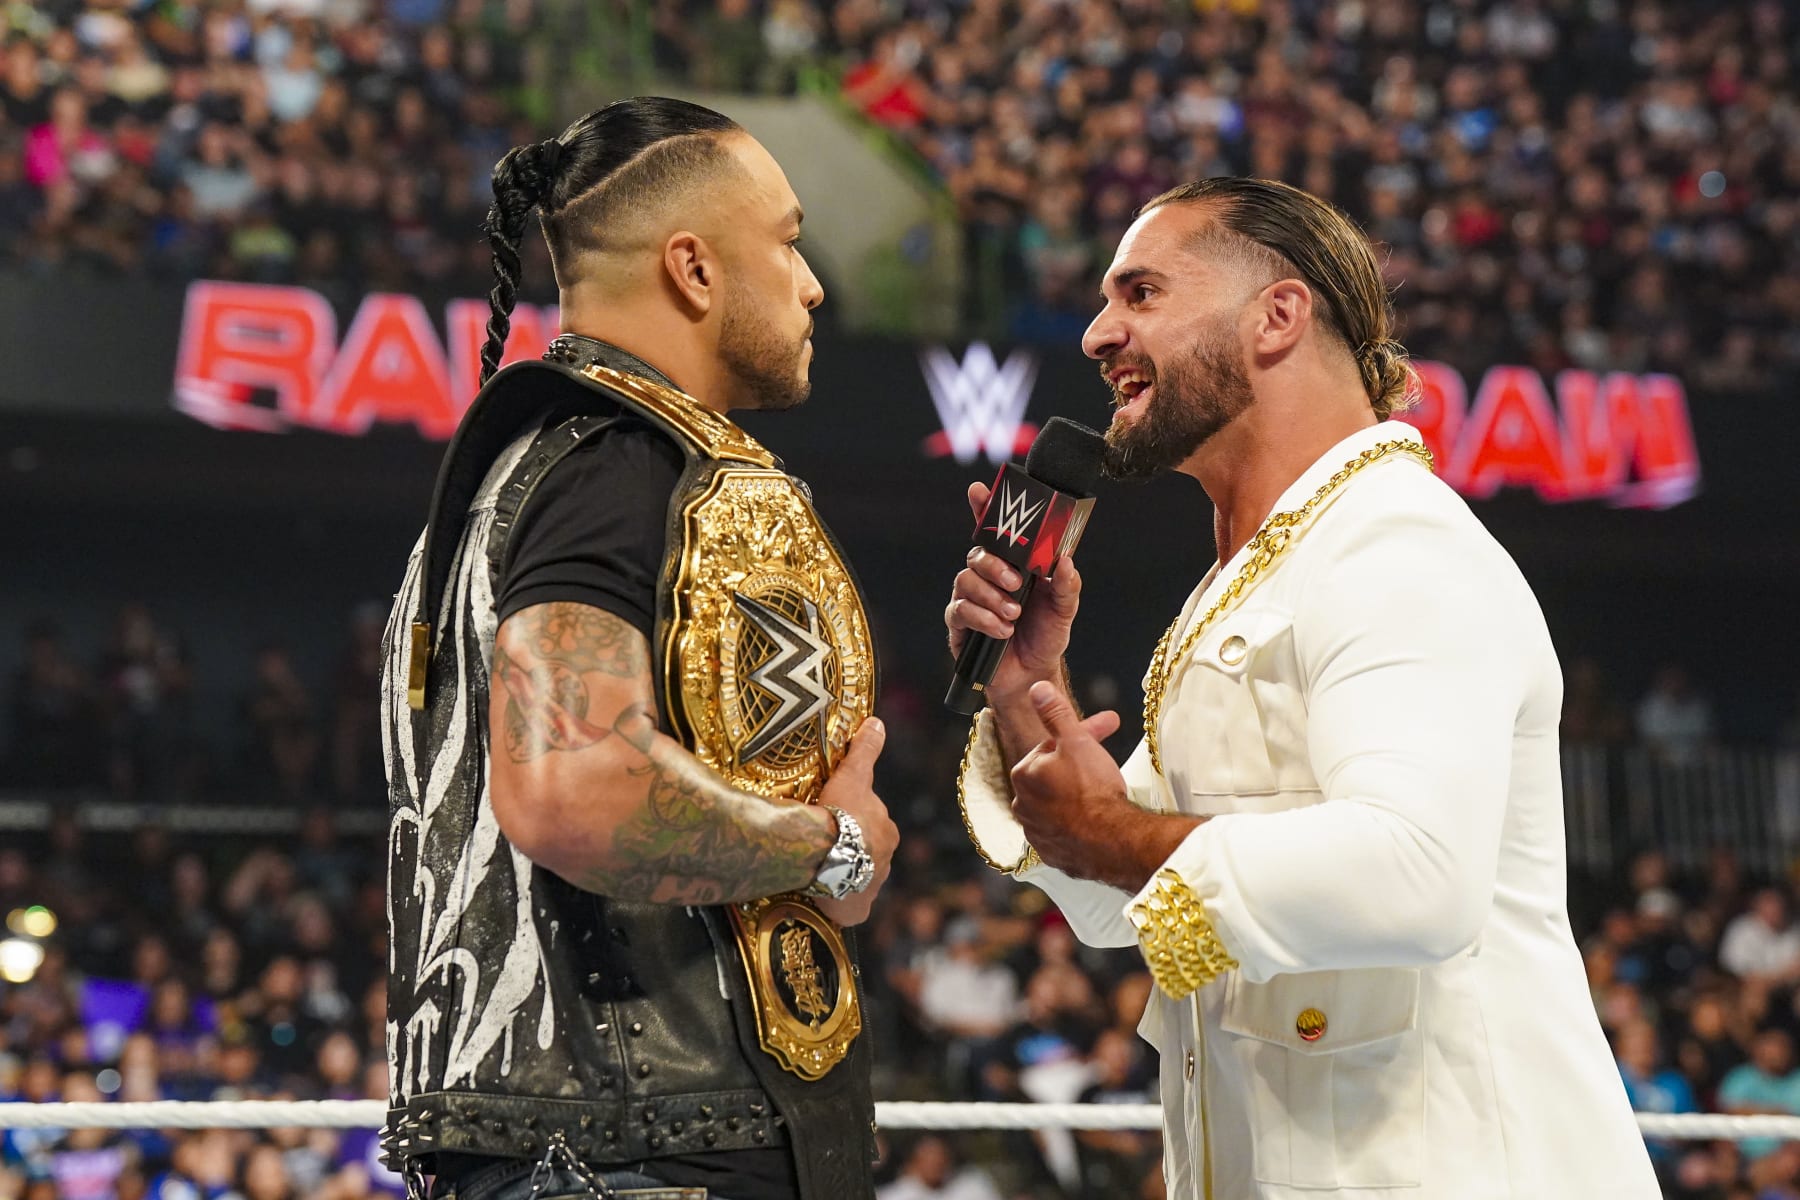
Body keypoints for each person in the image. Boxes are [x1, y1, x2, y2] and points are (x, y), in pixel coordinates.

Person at [944, 177, 1657, 1198]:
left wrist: (1113, 832)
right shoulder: (1258, 578)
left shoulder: (1396, 544)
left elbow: (1417, 874)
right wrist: (1026, 692)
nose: (1098, 334)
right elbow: (1117, 899)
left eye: (1142, 292)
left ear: (1278, 316)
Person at [380, 97, 898, 1200]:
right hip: (636, 1146)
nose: (812, 285)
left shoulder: (519, 478)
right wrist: (833, 845)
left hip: (582, 1143)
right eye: (789, 242)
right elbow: (575, 790)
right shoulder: (614, 472)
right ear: (694, 269)